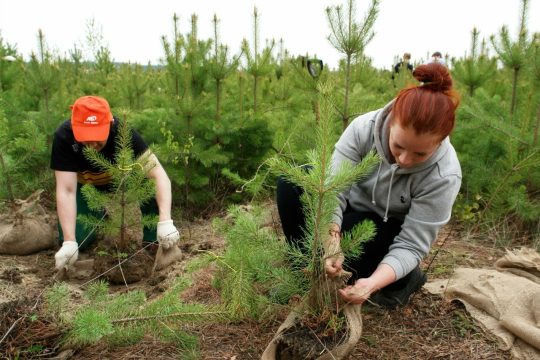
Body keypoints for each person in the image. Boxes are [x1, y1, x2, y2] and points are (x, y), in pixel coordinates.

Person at [277, 62, 461, 309]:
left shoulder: (444, 175)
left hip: (386, 230)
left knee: (362, 241)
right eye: (398, 146)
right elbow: (333, 189)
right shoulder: (364, 129)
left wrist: (371, 284)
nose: (404, 160)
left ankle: (403, 280)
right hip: (350, 208)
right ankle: (306, 273)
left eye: (419, 154)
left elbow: (412, 244)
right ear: (392, 120)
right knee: (293, 183)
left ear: (438, 144)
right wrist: (331, 245)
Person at [51, 95, 180, 270]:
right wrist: (69, 240)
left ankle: (153, 240)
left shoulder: (124, 132)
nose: (92, 143)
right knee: (79, 240)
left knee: (147, 183)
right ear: (74, 126)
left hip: (123, 182)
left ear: (110, 123)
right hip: (86, 188)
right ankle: (95, 217)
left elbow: (159, 175)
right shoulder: (64, 137)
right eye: (86, 136)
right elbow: (66, 190)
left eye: (97, 136)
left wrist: (166, 221)